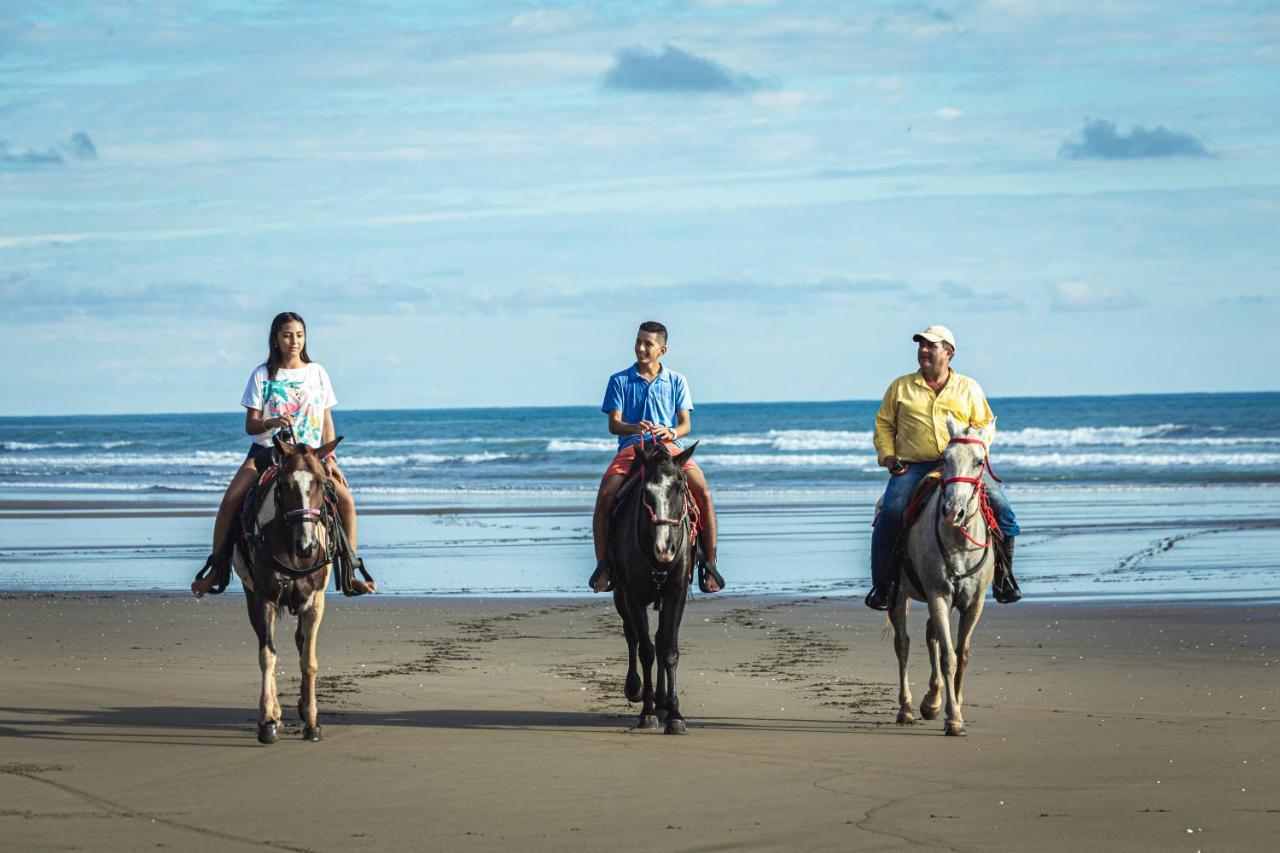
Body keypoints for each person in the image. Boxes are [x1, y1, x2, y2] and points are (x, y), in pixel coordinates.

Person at [191, 312, 374, 597]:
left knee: (347, 501)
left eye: (300, 335)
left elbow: (326, 421)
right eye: (288, 335)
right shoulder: (262, 375)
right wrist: (272, 423)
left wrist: (331, 460)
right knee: (230, 500)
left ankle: (350, 573)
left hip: (311, 457)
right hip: (269, 452)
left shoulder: (317, 373)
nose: (294, 341)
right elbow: (250, 425)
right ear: (275, 339)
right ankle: (216, 569)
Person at [864, 324, 1021, 610]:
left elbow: (985, 423)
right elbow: (884, 425)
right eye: (921, 345)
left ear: (948, 353)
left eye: (931, 346)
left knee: (1003, 510)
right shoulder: (900, 387)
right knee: (890, 513)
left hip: (960, 466)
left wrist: (976, 446)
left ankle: (1003, 579)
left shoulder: (968, 388)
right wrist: (888, 456)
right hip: (913, 467)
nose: (923, 351)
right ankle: (882, 585)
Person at [588, 321, 725, 594]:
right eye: (638, 342)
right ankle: (603, 565)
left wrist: (671, 431)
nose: (640, 348)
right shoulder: (619, 381)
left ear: (662, 349)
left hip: (669, 448)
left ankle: (708, 566)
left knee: (704, 493)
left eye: (647, 344)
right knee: (606, 495)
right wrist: (632, 427)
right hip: (633, 447)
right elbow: (613, 425)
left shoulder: (677, 381)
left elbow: (686, 425)